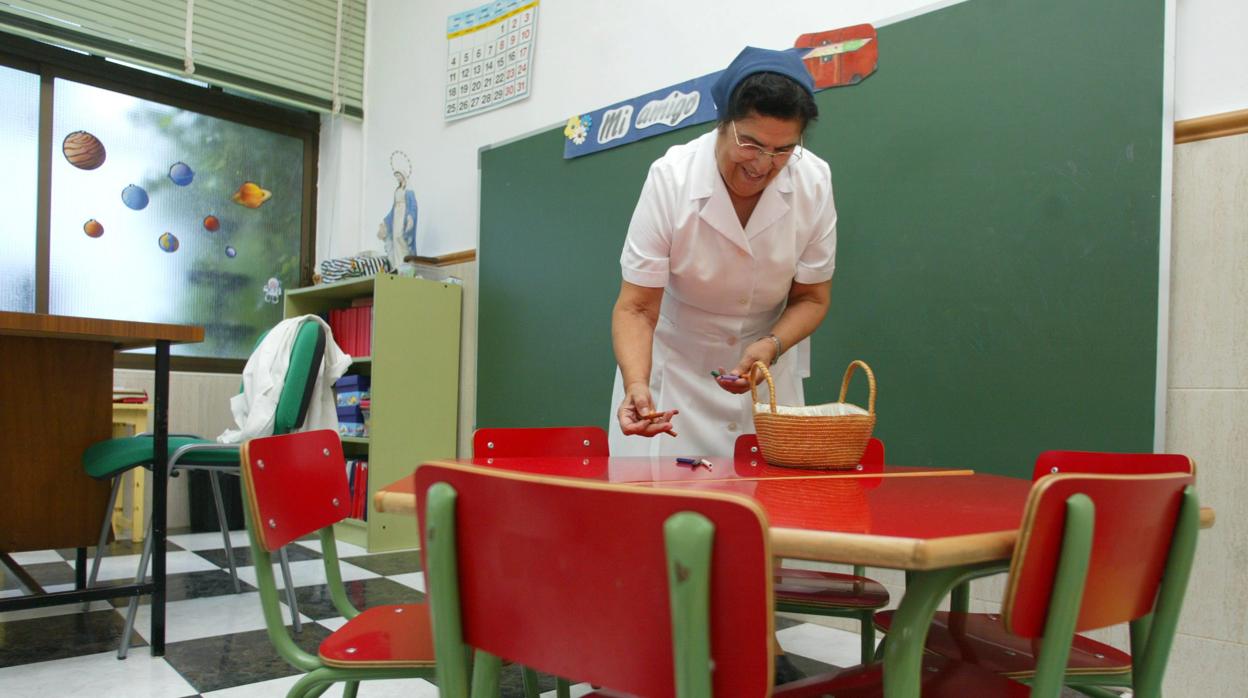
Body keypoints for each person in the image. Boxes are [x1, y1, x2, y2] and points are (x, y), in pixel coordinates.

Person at [609, 46, 837, 457]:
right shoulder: (672, 180)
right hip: (672, 376)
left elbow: (812, 298)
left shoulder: (813, 181)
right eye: (751, 144)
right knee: (664, 511)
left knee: (769, 511)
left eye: (784, 149)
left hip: (766, 375)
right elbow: (637, 309)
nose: (764, 165)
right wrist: (636, 385)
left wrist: (771, 345)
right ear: (723, 123)